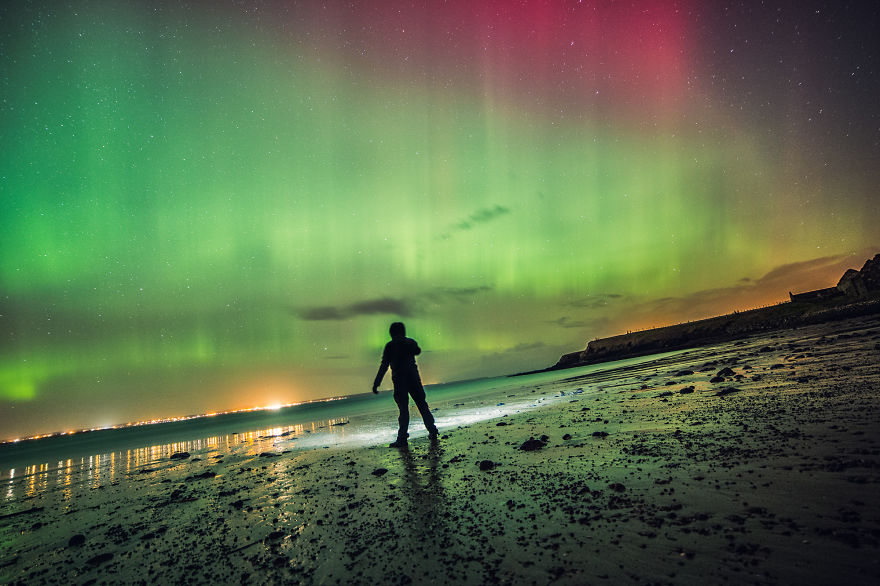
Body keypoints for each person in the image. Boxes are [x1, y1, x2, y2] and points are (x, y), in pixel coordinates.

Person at [372, 322, 439, 447]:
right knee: (422, 406)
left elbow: (384, 365)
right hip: (414, 379)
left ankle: (402, 438)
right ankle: (432, 430)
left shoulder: (390, 346)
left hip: (400, 382)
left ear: (392, 333)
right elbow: (418, 351)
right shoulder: (409, 342)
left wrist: (377, 383)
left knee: (404, 410)